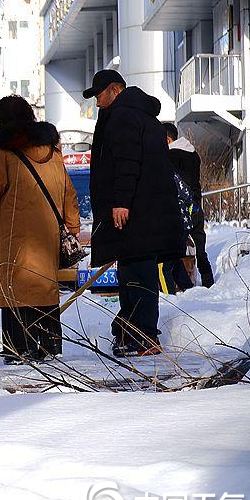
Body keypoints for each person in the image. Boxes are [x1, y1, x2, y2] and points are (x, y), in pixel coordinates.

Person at [0, 96, 80, 365]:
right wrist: (72, 226)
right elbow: (68, 191)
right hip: (48, 232)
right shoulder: (52, 149)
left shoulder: (0, 151)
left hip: (14, 233)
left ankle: (18, 348)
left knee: (16, 288)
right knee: (44, 286)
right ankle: (49, 345)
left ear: (0, 120)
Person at [83, 70, 184, 357]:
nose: (98, 103)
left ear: (114, 90)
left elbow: (126, 162)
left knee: (138, 275)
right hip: (145, 214)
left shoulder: (124, 116)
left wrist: (121, 202)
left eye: (99, 95)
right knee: (133, 273)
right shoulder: (142, 116)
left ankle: (144, 338)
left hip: (137, 214)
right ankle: (131, 334)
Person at [163, 122, 214, 289]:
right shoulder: (193, 154)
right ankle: (209, 284)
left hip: (181, 210)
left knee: (172, 253)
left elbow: (174, 184)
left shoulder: (171, 156)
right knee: (200, 250)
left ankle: (175, 290)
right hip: (196, 207)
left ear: (168, 139)